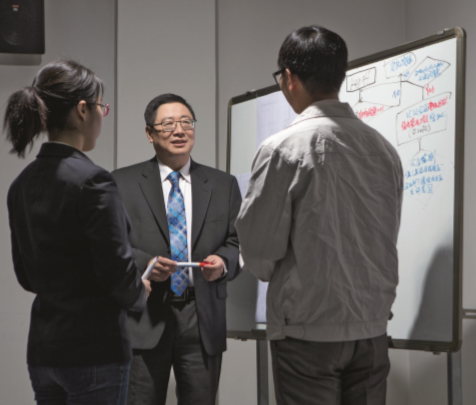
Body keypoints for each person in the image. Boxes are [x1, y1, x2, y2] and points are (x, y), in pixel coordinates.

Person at [235, 26, 404, 405]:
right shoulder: (384, 150)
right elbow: (387, 234)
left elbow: (259, 252)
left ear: (289, 78)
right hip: (371, 328)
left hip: (306, 331)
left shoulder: (282, 148)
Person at [5, 60, 151, 405]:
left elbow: (26, 277)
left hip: (43, 350)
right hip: (94, 349)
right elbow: (116, 270)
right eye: (102, 106)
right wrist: (140, 291)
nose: (103, 115)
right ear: (83, 110)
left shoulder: (21, 184)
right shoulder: (94, 180)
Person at [112, 93, 241, 405]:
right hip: (145, 314)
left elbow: (238, 241)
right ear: (150, 133)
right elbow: (112, 245)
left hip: (202, 316)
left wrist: (223, 263)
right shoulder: (121, 182)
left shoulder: (223, 184)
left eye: (186, 122)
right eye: (168, 124)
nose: (180, 130)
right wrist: (146, 264)